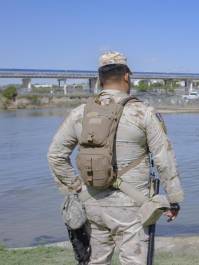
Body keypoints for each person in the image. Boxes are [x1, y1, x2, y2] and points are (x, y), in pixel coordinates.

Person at [48, 51, 184, 265]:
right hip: (133, 206)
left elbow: (55, 156)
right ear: (127, 76)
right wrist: (174, 199)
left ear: (100, 79)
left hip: (90, 202)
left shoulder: (80, 113)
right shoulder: (143, 113)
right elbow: (164, 159)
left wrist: (76, 188)